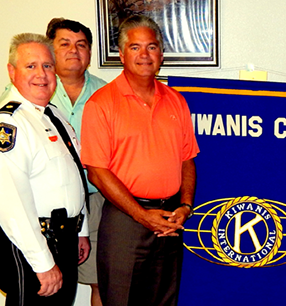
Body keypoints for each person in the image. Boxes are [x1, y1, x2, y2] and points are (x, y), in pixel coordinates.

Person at [81, 15, 199, 306]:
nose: (144, 55)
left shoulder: (177, 100)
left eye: (152, 47)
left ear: (161, 54)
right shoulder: (101, 103)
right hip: (125, 220)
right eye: (135, 48)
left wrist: (185, 206)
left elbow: (187, 160)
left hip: (170, 219)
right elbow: (97, 171)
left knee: (164, 300)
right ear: (121, 54)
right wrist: (141, 215)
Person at [0, 33, 89, 305]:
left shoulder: (53, 115)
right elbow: (11, 202)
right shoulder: (9, 125)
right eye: (31, 66)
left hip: (64, 238)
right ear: (11, 72)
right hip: (32, 244)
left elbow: (72, 175)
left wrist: (81, 230)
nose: (41, 74)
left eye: (48, 66)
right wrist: (42, 263)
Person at [46, 17, 108, 306]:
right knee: (45, 279)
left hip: (95, 199)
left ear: (90, 53)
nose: (74, 51)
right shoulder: (33, 88)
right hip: (44, 204)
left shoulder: (107, 93)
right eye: (65, 44)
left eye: (81, 45)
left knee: (100, 279)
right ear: (51, 49)